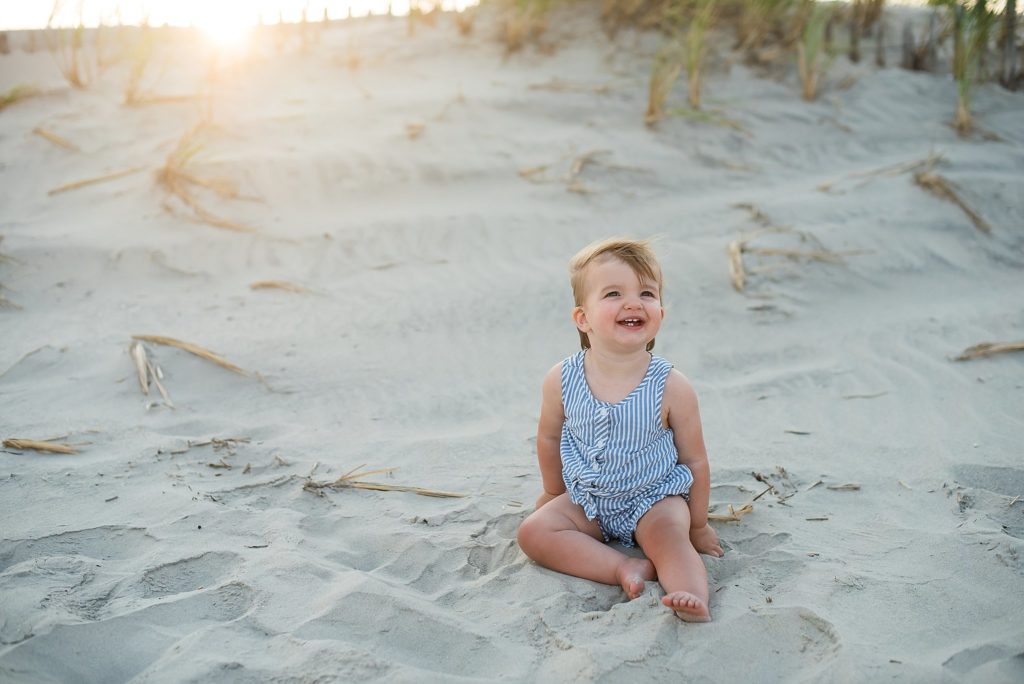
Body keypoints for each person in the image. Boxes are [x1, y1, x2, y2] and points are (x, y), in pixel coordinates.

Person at [517, 237, 723, 622]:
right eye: (614, 293)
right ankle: (622, 567)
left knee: (671, 542)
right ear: (583, 318)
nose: (633, 303)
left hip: (653, 499)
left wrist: (697, 524)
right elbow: (548, 438)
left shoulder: (672, 386)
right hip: (588, 498)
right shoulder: (561, 378)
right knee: (534, 533)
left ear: (660, 310)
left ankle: (691, 596)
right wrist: (552, 492)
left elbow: (695, 459)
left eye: (647, 293)